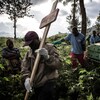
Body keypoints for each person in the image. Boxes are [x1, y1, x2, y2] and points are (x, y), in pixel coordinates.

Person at [21, 31, 62, 100]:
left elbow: (58, 65)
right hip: (37, 84)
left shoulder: (49, 48)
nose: (30, 46)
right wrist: (26, 78)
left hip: (49, 83)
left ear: (37, 39)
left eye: (31, 43)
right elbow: (24, 68)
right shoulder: (29, 53)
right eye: (28, 44)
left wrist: (48, 57)